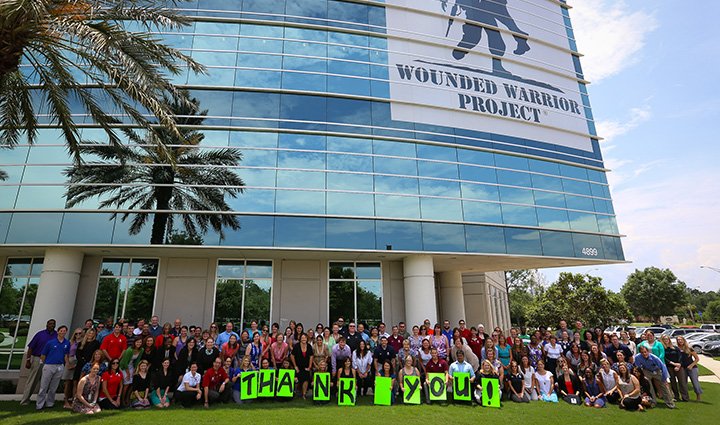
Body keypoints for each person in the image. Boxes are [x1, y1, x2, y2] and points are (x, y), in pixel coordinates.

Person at [20, 319, 57, 405]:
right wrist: (28, 360)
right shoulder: (40, 334)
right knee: (33, 379)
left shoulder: (56, 335)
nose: (52, 325)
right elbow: (30, 347)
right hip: (38, 359)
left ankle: (42, 401)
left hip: (50, 360)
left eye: (53, 324)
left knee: (46, 381)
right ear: (47, 324)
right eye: (50, 324)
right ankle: (25, 400)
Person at [35, 325, 70, 410]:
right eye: (61, 330)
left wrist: (66, 364)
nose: (63, 332)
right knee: (44, 386)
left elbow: (66, 355)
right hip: (49, 365)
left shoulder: (67, 343)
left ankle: (50, 403)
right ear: (58, 332)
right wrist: (45, 363)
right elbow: (43, 355)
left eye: (64, 331)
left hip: (59, 366)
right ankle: (39, 404)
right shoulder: (50, 342)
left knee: (53, 387)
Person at [661, 334, 688, 402]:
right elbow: (664, 358)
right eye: (664, 339)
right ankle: (676, 397)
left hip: (678, 367)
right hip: (669, 367)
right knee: (673, 382)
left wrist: (678, 365)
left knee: (682, 382)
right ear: (662, 340)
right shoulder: (663, 349)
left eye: (667, 339)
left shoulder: (675, 348)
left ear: (669, 340)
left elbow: (680, 356)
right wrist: (673, 363)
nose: (666, 340)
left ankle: (685, 397)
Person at [119, 336, 144, 406]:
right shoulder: (129, 350)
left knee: (133, 382)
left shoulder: (141, 350)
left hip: (131, 366)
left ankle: (128, 397)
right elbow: (124, 362)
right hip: (124, 366)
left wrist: (135, 369)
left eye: (140, 342)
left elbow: (137, 360)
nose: (138, 343)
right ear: (134, 343)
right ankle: (122, 399)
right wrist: (128, 373)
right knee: (126, 383)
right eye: (137, 342)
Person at [676, 335, 702, 401]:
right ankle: (685, 397)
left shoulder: (689, 348)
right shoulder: (677, 349)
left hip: (692, 368)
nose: (680, 341)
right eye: (678, 340)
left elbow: (697, 359)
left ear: (684, 340)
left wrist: (691, 365)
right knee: (683, 383)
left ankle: (698, 396)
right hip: (682, 368)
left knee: (695, 383)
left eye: (681, 339)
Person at [291, 333, 314, 398]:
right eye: (302, 338)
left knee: (306, 378)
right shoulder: (296, 346)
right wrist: (295, 366)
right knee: (297, 378)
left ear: (307, 339)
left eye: (305, 338)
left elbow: (311, 356)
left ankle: (304, 394)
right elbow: (292, 356)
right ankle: (295, 392)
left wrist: (309, 367)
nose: (304, 339)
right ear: (300, 339)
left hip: (306, 367)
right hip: (298, 366)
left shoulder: (309, 346)